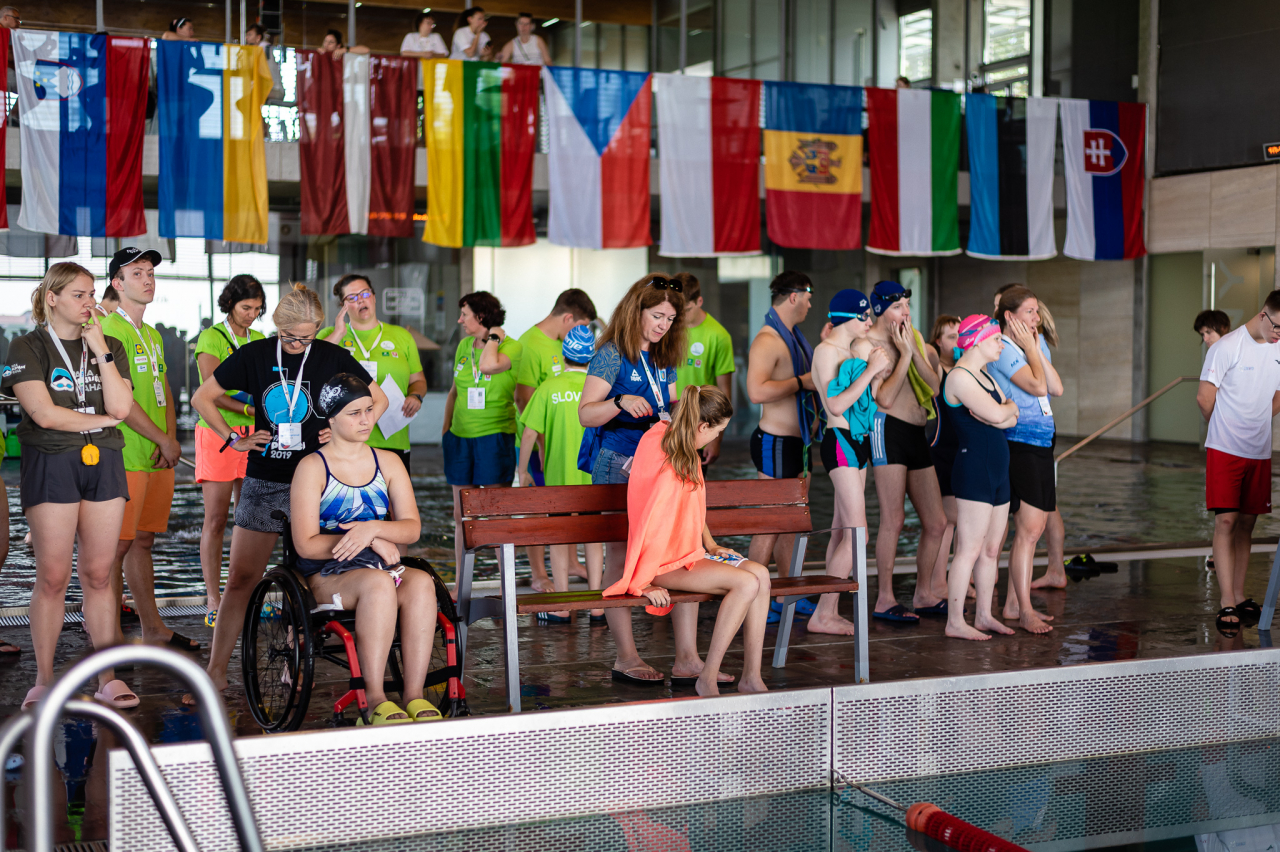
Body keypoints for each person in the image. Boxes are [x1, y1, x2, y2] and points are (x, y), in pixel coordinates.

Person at [189, 283, 387, 701]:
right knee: (241, 578)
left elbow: (378, 401)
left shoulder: (331, 356)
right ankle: (215, 671)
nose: (298, 344)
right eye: (290, 337)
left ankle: (294, 663)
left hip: (319, 480)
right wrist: (233, 439)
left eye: (306, 337)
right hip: (266, 478)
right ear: (276, 326)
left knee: (307, 577)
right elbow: (203, 397)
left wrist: (342, 434)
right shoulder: (256, 354)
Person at [3, 263, 137, 710]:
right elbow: (43, 414)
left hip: (105, 462)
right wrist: (101, 421)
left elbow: (122, 406)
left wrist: (101, 350)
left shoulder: (110, 344)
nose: (89, 302)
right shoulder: (27, 345)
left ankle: (107, 679)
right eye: (79, 295)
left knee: (99, 575)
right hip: (52, 461)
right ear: (52, 298)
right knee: (53, 575)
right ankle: (44, 680)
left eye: (92, 294)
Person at [579, 273, 721, 688]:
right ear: (635, 310)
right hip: (619, 463)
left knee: (683, 551)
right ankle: (626, 656)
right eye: (657, 316)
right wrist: (619, 401)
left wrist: (693, 428)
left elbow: (671, 405)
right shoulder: (611, 354)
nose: (663, 325)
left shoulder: (663, 354)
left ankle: (688, 658)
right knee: (620, 556)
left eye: (670, 319)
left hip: (664, 463)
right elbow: (586, 414)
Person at [290, 373, 439, 724]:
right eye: (354, 413)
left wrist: (372, 529)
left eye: (369, 410)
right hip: (327, 575)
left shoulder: (388, 462)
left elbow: (412, 527)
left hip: (378, 567)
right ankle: (373, 699)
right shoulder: (312, 467)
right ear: (331, 418)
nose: (366, 420)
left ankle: (414, 695)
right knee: (378, 584)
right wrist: (369, 539)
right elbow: (306, 545)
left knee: (421, 583)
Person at [608, 385, 771, 696]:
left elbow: (692, 505)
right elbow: (647, 518)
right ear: (703, 426)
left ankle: (752, 677)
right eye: (718, 431)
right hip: (660, 563)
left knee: (761, 574)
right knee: (746, 583)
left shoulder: (682, 442)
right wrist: (644, 582)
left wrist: (711, 545)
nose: (717, 437)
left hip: (686, 554)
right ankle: (706, 679)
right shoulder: (663, 450)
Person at [100, 248, 194, 650]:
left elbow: (164, 389)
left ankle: (153, 627)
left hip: (156, 454)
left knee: (143, 542)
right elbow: (119, 400)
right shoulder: (109, 330)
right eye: (137, 273)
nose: (148, 279)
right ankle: (108, 636)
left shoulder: (151, 334)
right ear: (117, 284)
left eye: (151, 272)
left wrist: (170, 438)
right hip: (124, 454)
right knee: (115, 548)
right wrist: (162, 438)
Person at [1196, 290, 1280, 634]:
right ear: (1263, 315)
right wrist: (1226, 425)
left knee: (1247, 524)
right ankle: (1226, 600)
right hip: (1225, 449)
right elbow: (1204, 397)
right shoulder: (1227, 347)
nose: (1278, 334)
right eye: (1277, 326)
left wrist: (1257, 419)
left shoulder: (1278, 348)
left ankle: (1241, 594)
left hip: (1258, 450)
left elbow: (1279, 394)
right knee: (1226, 521)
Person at [810, 289, 890, 635]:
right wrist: (870, 371)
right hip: (840, 442)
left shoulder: (850, 351)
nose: (870, 321)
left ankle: (828, 610)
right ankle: (823, 614)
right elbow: (836, 405)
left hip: (858, 442)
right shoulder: (826, 351)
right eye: (864, 316)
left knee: (843, 531)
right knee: (859, 536)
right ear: (847, 318)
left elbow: (866, 400)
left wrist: (876, 373)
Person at [865, 280, 946, 622]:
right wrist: (904, 357)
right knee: (894, 519)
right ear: (880, 310)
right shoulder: (869, 344)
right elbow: (883, 398)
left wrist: (913, 349)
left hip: (916, 433)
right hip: (887, 430)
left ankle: (924, 593)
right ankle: (884, 598)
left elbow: (934, 387)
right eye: (898, 307)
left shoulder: (914, 338)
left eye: (907, 306)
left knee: (937, 522)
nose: (906, 313)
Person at [193, 275, 266, 628]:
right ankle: (213, 597)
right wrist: (251, 409)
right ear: (230, 304)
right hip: (217, 433)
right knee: (216, 519)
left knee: (250, 519)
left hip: (255, 435)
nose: (251, 315)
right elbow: (213, 392)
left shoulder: (260, 340)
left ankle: (247, 594)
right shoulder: (211, 337)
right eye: (245, 307)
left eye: (257, 309)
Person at [988, 286, 1062, 634]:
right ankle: (1023, 609)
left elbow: (1056, 388)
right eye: (1030, 311)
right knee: (1029, 529)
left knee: (1036, 528)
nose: (1037, 317)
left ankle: (1015, 604)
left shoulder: (1035, 342)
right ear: (1010, 316)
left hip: (1042, 440)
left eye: (1037, 310)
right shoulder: (1002, 348)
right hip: (1019, 440)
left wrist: (1034, 347)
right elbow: (1037, 387)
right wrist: (1031, 350)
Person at [517, 325, 604, 621]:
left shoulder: (549, 388)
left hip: (559, 480)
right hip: (592, 478)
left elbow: (529, 433)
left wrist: (522, 472)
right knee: (593, 538)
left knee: (559, 538)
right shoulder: (600, 388)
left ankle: (562, 606)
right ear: (591, 358)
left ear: (563, 355)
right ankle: (597, 605)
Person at [941, 316, 1019, 641]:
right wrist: (1001, 413)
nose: (1002, 344)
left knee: (990, 550)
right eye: (997, 339)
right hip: (974, 469)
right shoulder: (959, 377)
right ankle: (955, 621)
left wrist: (1001, 414)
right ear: (976, 340)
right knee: (968, 549)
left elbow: (1012, 415)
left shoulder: (985, 376)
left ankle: (984, 615)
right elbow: (1003, 413)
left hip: (998, 470)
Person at [745, 271, 818, 586]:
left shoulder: (796, 339)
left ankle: (789, 593)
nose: (810, 305)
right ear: (794, 297)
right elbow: (756, 391)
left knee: (792, 521)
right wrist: (801, 382)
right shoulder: (768, 340)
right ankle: (750, 593)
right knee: (770, 522)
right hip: (774, 442)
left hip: (799, 443)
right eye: (808, 299)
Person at [319, 274, 431, 475]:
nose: (360, 300)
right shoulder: (331, 334)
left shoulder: (401, 336)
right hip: (344, 440)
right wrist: (338, 333)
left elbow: (418, 380)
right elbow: (312, 365)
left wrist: (416, 396)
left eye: (365, 293)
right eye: (352, 297)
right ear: (343, 306)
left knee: (394, 493)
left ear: (374, 296)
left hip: (392, 439)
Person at [443, 292, 522, 575]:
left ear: (482, 316)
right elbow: (454, 391)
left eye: (465, 314)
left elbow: (489, 365)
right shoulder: (464, 345)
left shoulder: (512, 347)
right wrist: (446, 431)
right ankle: (461, 583)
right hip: (459, 438)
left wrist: (495, 337)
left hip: (494, 437)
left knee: (497, 514)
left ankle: (506, 583)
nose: (460, 320)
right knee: (461, 515)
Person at [674, 272, 735, 467]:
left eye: (686, 310)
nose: (680, 316)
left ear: (699, 301)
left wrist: (716, 439)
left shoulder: (719, 336)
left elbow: (725, 393)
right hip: (667, 423)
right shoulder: (667, 329)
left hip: (699, 427)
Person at [922, 314, 961, 608]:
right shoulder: (937, 367)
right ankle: (938, 581)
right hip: (939, 450)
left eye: (960, 335)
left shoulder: (965, 368)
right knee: (946, 521)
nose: (957, 342)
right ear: (938, 341)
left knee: (958, 520)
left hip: (961, 450)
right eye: (951, 336)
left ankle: (954, 579)